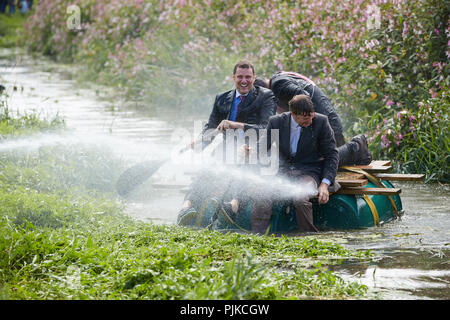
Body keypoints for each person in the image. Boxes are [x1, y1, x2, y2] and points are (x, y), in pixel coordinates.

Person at [177, 60, 276, 225]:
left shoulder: (266, 96)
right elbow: (210, 127)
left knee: (245, 167)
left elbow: (267, 127)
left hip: (254, 147)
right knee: (207, 170)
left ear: (254, 77)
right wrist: (200, 143)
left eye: (248, 77)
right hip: (226, 147)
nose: (244, 81)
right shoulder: (221, 98)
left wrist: (236, 125)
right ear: (233, 77)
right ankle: (186, 207)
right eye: (240, 77)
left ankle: (233, 206)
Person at [250, 94, 339, 233]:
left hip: (309, 172)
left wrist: (324, 184)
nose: (310, 121)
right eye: (305, 118)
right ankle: (257, 236)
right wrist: (251, 151)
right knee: (262, 195)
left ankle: (309, 237)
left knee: (300, 197)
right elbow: (262, 147)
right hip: (282, 172)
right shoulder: (276, 122)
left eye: (311, 116)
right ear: (293, 114)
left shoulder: (321, 122)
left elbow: (332, 155)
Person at [254, 71, 372, 166]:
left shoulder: (279, 85)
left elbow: (304, 97)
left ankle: (356, 146)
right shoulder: (278, 80)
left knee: (313, 162)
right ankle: (354, 152)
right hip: (328, 122)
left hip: (327, 125)